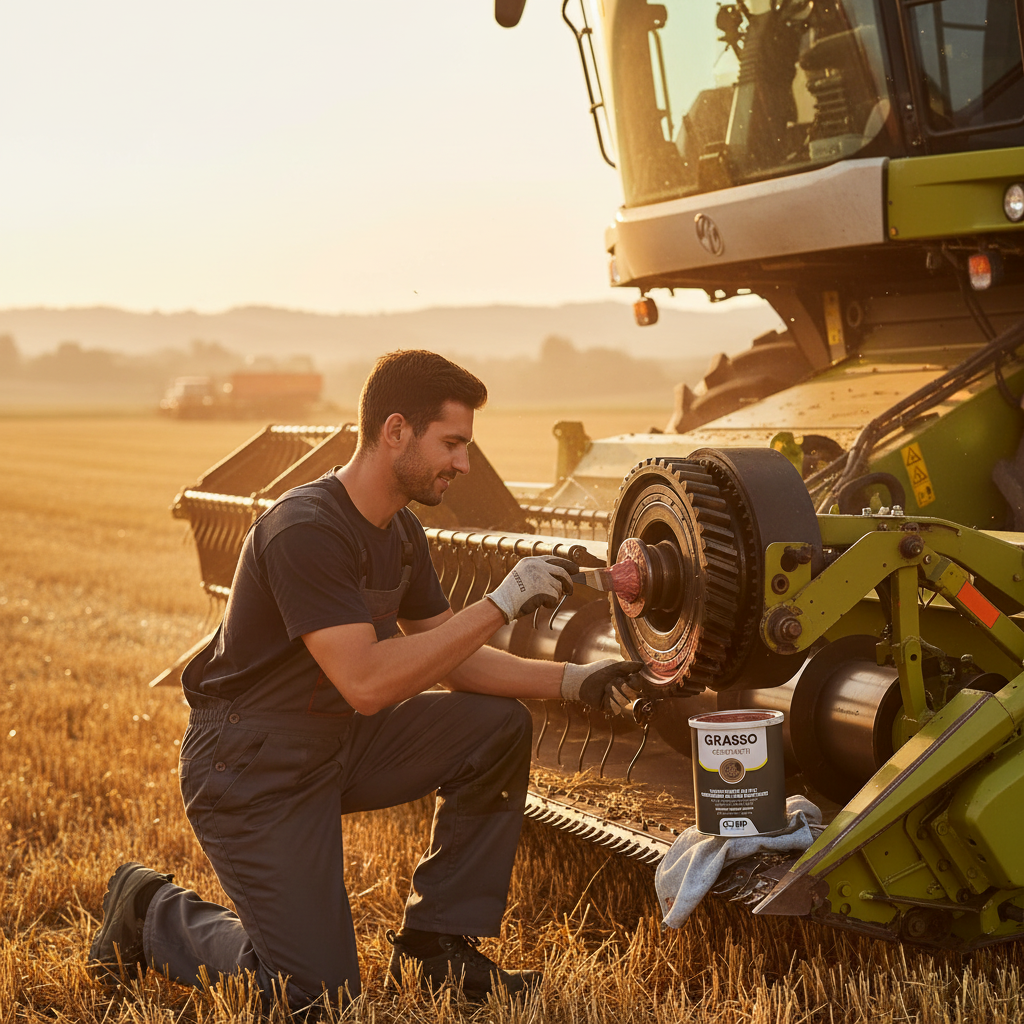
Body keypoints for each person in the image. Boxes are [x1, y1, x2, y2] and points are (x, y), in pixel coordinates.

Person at [88, 350, 641, 1013]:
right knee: (315, 999)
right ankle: (150, 912)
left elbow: (455, 662)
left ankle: (435, 948)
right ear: (397, 431)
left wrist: (575, 679)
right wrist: (498, 604)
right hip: (250, 768)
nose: (463, 464)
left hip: (337, 747)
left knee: (494, 726)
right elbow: (368, 685)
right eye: (453, 443)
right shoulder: (306, 529)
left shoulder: (400, 531)